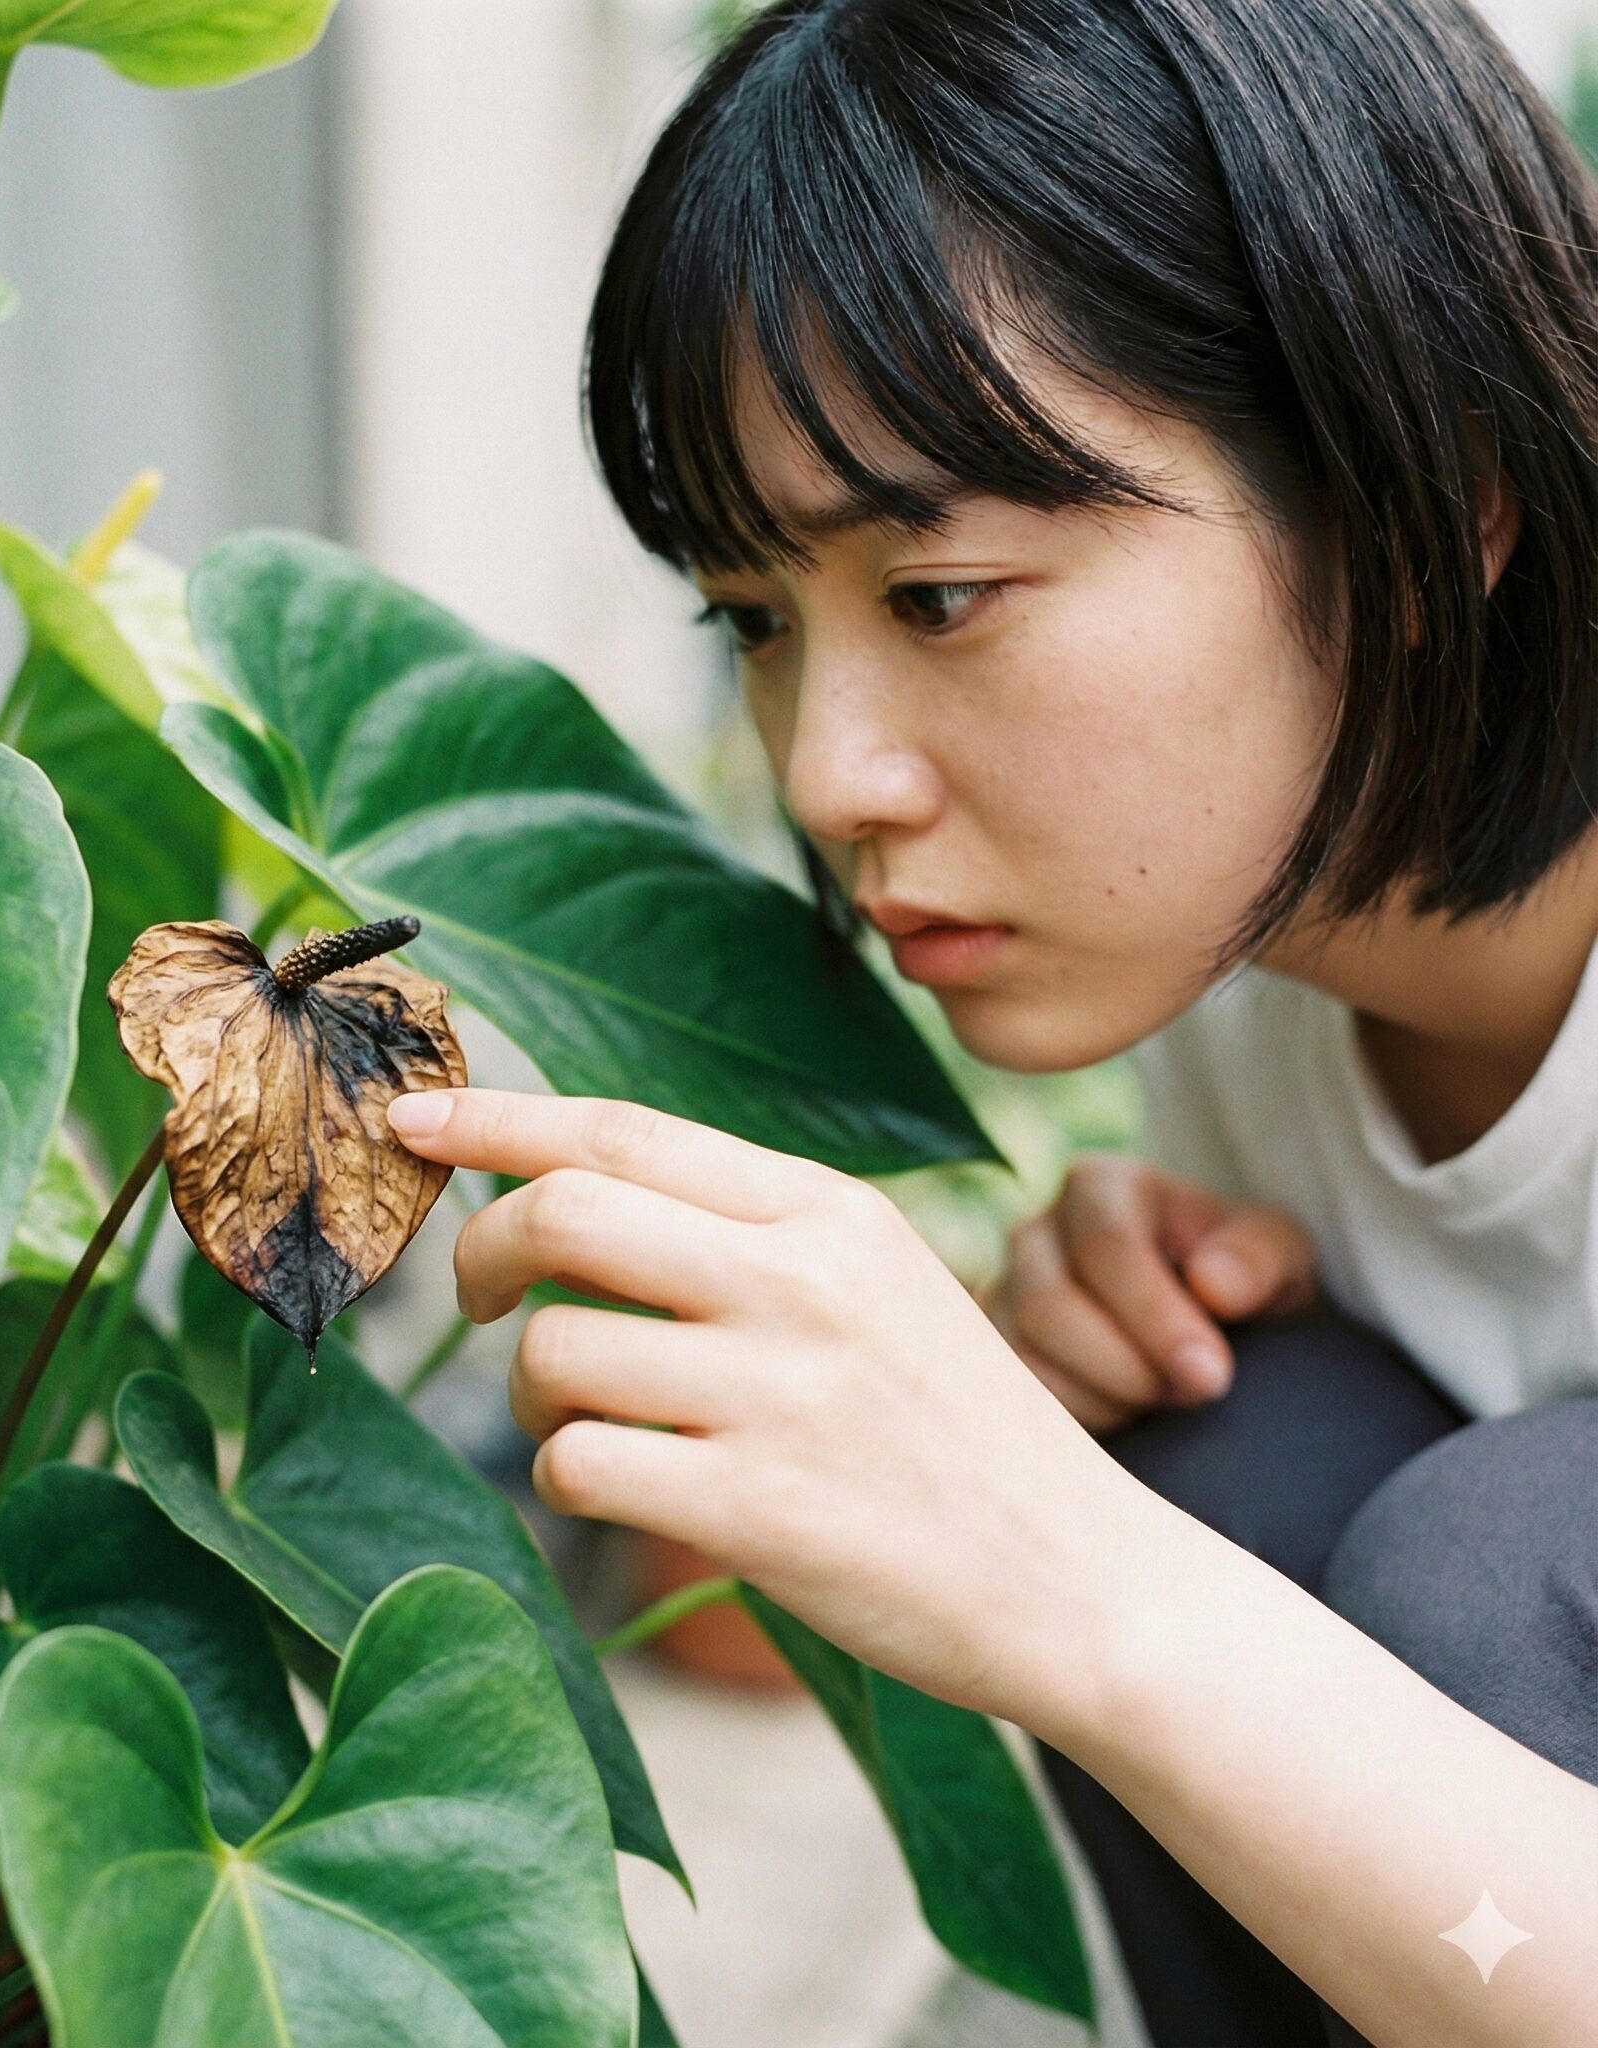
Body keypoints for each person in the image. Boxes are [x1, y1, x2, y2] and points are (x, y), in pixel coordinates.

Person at [383, 1, 1598, 2040]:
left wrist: (1061, 1571)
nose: (830, 773)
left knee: (1442, 1561)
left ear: (1431, 497)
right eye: (755, 623)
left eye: (936, 593)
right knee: (1232, 1448)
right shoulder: (1243, 960)